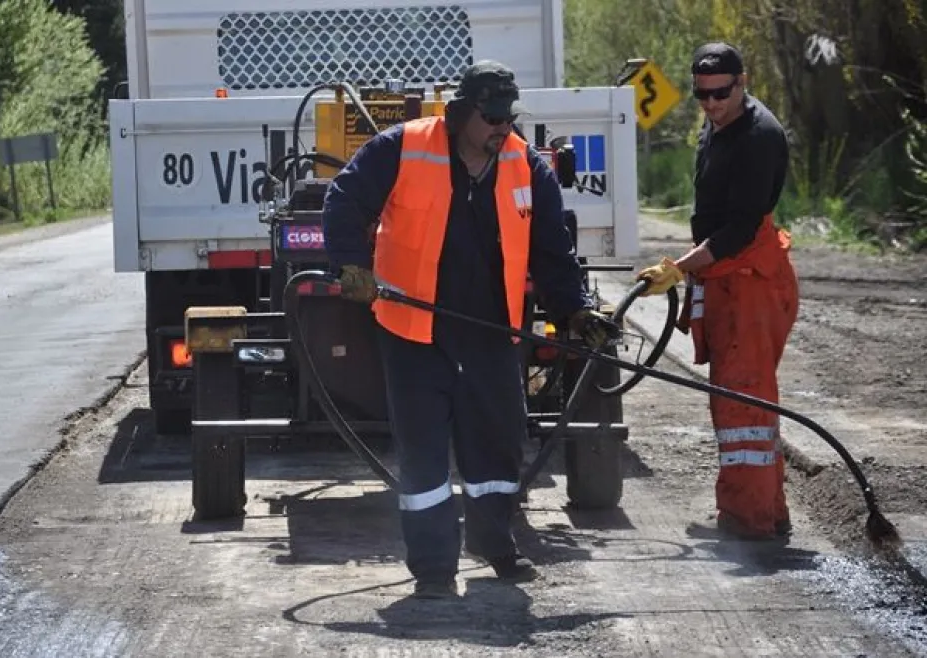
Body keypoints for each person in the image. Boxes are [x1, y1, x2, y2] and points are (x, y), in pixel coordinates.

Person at [321, 60, 619, 598]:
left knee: (498, 447)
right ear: (460, 114)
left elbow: (553, 252)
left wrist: (575, 310)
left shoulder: (527, 167)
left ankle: (494, 542)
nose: (502, 127)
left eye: (508, 116)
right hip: (414, 331)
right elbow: (343, 199)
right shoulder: (403, 147)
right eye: (491, 117)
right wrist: (351, 264)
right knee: (424, 451)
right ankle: (434, 568)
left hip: (491, 333)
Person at [636, 42, 798, 541]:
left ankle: (747, 522)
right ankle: (767, 509)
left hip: (750, 281)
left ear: (742, 82)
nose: (710, 105)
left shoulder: (758, 137)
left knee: (743, 406)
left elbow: (739, 231)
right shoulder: (718, 125)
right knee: (743, 402)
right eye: (702, 96)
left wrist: (679, 269)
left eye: (720, 94)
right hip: (728, 279)